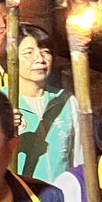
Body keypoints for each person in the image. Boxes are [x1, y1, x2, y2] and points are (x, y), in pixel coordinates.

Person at [15, 24, 80, 183]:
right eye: (28, 53)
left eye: (46, 52)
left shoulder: (66, 101)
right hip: (22, 200)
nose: (40, 59)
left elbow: (79, 156)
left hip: (61, 199)